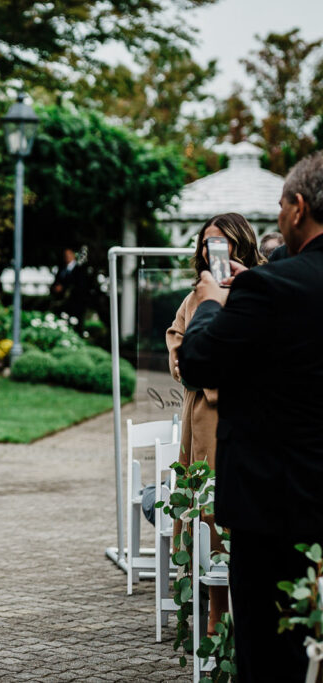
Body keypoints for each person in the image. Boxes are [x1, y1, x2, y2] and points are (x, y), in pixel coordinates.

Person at [178, 152, 323, 681]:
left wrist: (214, 301)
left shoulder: (268, 289)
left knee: (269, 652)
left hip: (275, 504)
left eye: (281, 205)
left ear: (297, 208)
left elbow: (198, 361)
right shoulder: (274, 283)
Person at [165, 213, 264, 634]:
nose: (211, 251)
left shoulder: (259, 292)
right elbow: (180, 351)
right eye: (207, 243)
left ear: (239, 245)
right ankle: (214, 610)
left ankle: (250, 613)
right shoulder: (194, 298)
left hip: (244, 417)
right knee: (205, 510)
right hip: (202, 420)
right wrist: (199, 367)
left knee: (241, 508)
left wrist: (212, 370)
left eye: (220, 242)